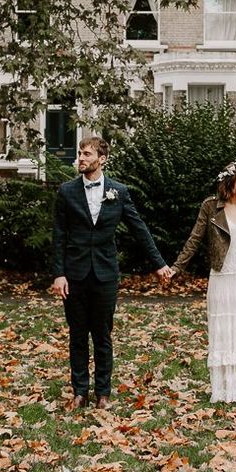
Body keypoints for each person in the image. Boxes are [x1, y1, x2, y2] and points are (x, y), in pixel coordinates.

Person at [52, 136, 174, 410]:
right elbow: (59, 235)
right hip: (75, 274)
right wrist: (59, 273)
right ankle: (80, 391)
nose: (80, 158)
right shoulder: (66, 192)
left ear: (102, 159)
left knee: (103, 334)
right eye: (79, 154)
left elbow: (138, 228)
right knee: (77, 334)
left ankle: (103, 393)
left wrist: (158, 264)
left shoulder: (118, 192)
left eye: (86, 154)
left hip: (106, 274)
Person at [170, 161, 236, 404]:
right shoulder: (210, 207)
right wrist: (177, 267)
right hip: (222, 278)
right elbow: (195, 239)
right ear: (228, 181)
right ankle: (228, 389)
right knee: (227, 333)